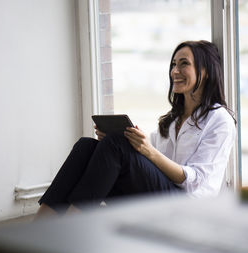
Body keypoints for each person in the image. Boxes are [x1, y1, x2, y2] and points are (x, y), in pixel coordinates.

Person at [35, 40, 236, 219]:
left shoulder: (219, 120)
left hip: (187, 207)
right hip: (158, 196)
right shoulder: (172, 119)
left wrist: (147, 150)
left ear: (206, 71)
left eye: (184, 64)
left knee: (116, 145)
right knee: (87, 146)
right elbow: (148, 166)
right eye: (174, 64)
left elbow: (195, 182)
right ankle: (38, 230)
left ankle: (68, 232)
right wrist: (130, 140)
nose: (175, 71)